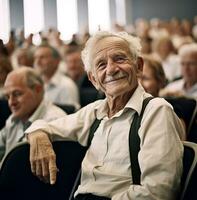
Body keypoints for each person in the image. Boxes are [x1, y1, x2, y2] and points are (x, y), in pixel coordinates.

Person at [25, 31, 184, 200]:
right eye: (101, 64)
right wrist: (38, 134)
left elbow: (158, 191)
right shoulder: (95, 111)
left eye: (120, 59)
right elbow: (47, 126)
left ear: (138, 66)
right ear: (93, 79)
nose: (112, 69)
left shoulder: (155, 110)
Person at [0, 67, 66, 159]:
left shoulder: (55, 121)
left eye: (17, 94)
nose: (11, 102)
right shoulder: (13, 119)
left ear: (38, 89)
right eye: (7, 96)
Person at [33, 44, 80, 109]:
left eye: (42, 57)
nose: (37, 62)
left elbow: (72, 114)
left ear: (56, 61)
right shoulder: (35, 84)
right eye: (36, 58)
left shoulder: (67, 86)